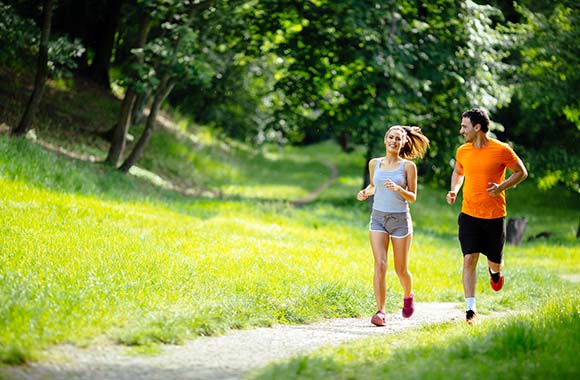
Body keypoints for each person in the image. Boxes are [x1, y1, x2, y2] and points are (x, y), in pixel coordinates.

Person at [446, 108, 528, 325]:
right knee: (469, 259)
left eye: (464, 126)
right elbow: (458, 172)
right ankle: (471, 310)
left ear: (477, 127)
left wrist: (501, 187)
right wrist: (454, 189)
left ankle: (495, 272)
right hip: (469, 213)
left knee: (495, 262)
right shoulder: (463, 151)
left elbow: (521, 172)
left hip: (494, 216)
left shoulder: (501, 150)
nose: (461, 130)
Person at [357, 125, 430, 326]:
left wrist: (399, 189)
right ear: (385, 139)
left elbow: (413, 197)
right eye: (391, 137)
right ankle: (380, 311)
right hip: (378, 218)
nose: (394, 141)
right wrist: (365, 192)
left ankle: (408, 294)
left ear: (404, 142)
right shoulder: (375, 163)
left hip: (400, 221)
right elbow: (374, 186)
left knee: (401, 270)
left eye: (398, 138)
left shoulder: (408, 167)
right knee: (380, 264)